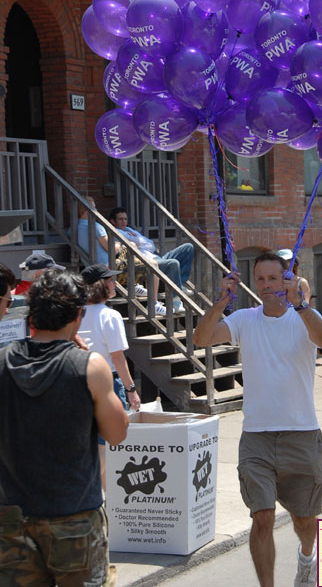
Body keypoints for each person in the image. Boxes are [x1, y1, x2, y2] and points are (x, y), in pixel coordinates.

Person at [193, 252, 322, 587]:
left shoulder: (304, 317)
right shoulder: (244, 318)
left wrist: (301, 305)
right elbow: (201, 339)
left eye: (273, 278)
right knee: (262, 517)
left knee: (305, 521)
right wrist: (220, 302)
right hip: (256, 436)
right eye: (261, 279)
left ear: (287, 279)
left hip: (301, 434)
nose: (267, 286)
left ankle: (307, 557)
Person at [0, 269, 128, 585]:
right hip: (74, 516)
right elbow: (117, 433)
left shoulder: (2, 361)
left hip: (12, 517)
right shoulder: (88, 366)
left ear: (31, 315)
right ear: (78, 316)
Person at [79, 263, 140, 490]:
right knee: (106, 445)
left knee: (93, 443)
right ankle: (86, 490)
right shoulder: (110, 316)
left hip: (79, 382)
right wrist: (131, 389)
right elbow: (118, 358)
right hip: (107, 383)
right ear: (101, 286)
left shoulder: (75, 313)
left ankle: (104, 505)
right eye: (110, 280)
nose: (115, 283)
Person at [109, 206, 194, 313]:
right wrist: (139, 241)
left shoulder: (130, 230)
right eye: (120, 219)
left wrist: (139, 242)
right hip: (148, 263)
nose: (124, 222)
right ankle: (175, 300)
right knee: (173, 263)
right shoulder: (115, 233)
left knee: (188, 247)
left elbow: (150, 244)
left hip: (155, 257)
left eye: (125, 219)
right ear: (113, 221)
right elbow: (139, 242)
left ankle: (181, 284)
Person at [77, 196, 120, 266]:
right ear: (87, 211)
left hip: (90, 266)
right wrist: (121, 244)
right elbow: (112, 249)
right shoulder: (95, 226)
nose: (96, 210)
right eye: (94, 208)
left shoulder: (72, 229)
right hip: (107, 266)